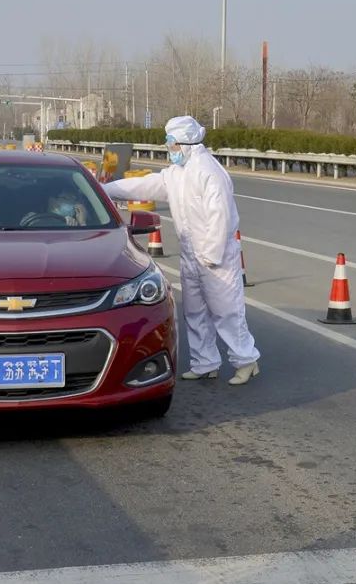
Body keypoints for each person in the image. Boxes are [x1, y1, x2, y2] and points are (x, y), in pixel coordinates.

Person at [101, 116, 260, 385]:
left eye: (172, 144)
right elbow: (143, 185)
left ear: (186, 144)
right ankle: (205, 362)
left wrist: (211, 255)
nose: (169, 150)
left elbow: (219, 217)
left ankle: (246, 361)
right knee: (194, 311)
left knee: (226, 311)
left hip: (215, 255)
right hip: (190, 253)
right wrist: (104, 190)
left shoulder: (209, 172)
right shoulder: (176, 174)